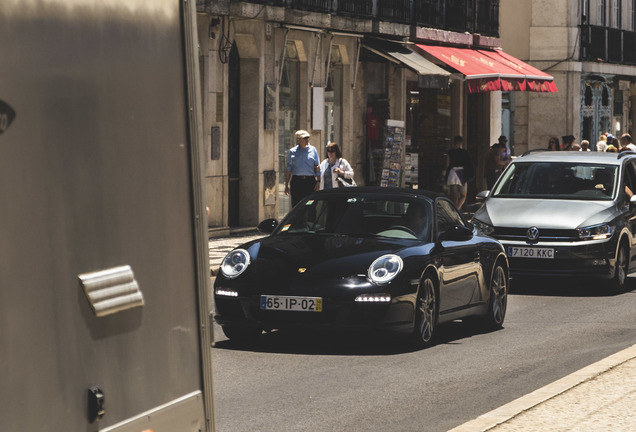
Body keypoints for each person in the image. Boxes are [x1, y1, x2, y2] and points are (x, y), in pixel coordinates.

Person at [285, 130, 320, 207]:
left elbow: (317, 167)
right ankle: (297, 219)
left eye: (307, 138)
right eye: (305, 138)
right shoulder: (293, 151)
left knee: (310, 204)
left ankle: (310, 219)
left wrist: (318, 181)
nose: (307, 140)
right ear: (299, 140)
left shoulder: (313, 150)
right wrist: (286, 185)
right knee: (296, 205)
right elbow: (288, 169)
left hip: (310, 182)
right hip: (297, 182)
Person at [445, 135, 474, 210]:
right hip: (461, 174)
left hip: (452, 173)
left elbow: (447, 165)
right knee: (463, 195)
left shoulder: (450, 152)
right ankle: (457, 210)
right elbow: (468, 164)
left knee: (454, 195)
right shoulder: (464, 153)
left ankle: (453, 209)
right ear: (461, 143)